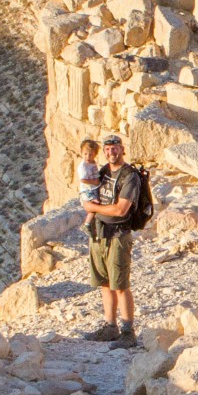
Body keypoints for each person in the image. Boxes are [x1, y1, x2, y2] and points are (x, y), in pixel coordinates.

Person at [81, 134, 141, 347]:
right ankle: (110, 327)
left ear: (122, 149)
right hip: (99, 232)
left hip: (118, 234)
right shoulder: (104, 171)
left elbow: (121, 209)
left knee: (121, 285)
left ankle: (128, 332)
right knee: (105, 283)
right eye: (107, 149)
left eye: (115, 148)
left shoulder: (130, 176)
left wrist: (92, 208)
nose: (111, 152)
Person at [75, 138, 101, 228]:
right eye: (85, 154)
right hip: (87, 190)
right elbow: (83, 180)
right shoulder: (83, 167)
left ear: (95, 154)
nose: (88, 156)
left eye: (91, 154)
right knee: (94, 206)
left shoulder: (92, 163)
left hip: (93, 188)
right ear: (81, 153)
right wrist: (95, 182)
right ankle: (87, 224)